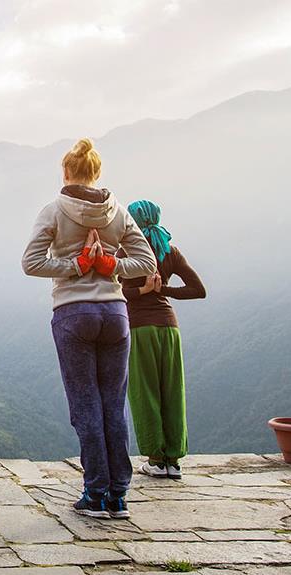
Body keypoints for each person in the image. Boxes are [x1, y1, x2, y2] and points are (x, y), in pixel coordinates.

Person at [21, 139, 155, 520]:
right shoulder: (120, 213)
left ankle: (95, 493)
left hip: (73, 312)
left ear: (66, 173)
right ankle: (119, 495)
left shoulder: (54, 210)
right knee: (113, 403)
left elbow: (31, 262)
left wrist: (77, 266)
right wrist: (111, 265)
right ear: (97, 174)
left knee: (86, 406)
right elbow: (145, 262)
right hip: (115, 313)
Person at [120, 200, 206, 480]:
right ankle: (173, 460)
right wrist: (164, 290)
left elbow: (118, 293)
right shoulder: (170, 251)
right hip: (170, 328)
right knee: (172, 390)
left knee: (145, 391)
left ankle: (155, 459)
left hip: (139, 328)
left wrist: (145, 291)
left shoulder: (128, 252)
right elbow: (198, 290)